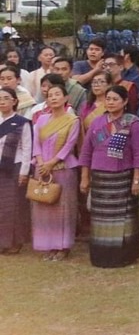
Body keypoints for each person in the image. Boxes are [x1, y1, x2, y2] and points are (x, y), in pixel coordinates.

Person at [79, 85, 139, 269]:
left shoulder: (133, 123)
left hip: (123, 178)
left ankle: (123, 256)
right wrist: (85, 177)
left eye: (115, 99)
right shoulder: (96, 122)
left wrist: (136, 180)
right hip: (100, 178)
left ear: (125, 101)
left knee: (123, 220)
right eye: (108, 98)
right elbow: (86, 152)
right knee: (101, 219)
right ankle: (102, 256)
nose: (110, 102)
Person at [30, 81, 80, 260]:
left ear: (66, 98)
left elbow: (70, 145)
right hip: (42, 168)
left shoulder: (72, 120)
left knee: (63, 209)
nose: (53, 98)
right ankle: (48, 245)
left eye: (57, 94)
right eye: (50, 95)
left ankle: (63, 246)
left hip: (63, 168)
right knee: (44, 209)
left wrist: (51, 163)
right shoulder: (41, 119)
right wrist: (42, 163)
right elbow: (36, 143)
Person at [0, 87, 31, 253]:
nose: (2, 101)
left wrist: (24, 172)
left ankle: (14, 242)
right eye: (0, 98)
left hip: (14, 167)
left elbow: (27, 148)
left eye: (6, 98)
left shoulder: (22, 122)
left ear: (14, 101)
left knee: (13, 207)